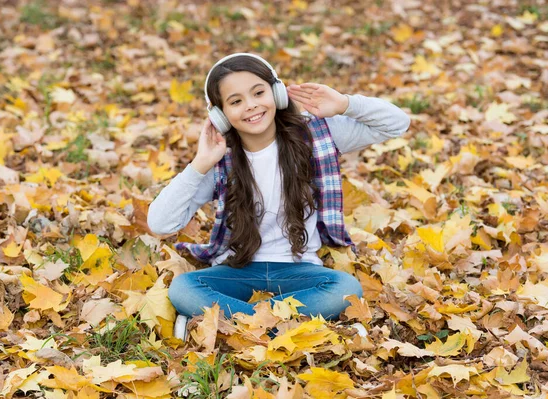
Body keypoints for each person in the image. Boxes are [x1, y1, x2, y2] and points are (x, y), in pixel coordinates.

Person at [148, 53, 410, 340]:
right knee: (183, 288)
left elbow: (397, 123)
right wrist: (199, 164)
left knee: (346, 289)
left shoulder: (318, 136)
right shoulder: (220, 161)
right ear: (219, 115)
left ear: (277, 92)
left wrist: (346, 103)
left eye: (259, 93)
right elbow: (160, 223)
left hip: (300, 272)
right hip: (238, 272)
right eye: (235, 102)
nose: (251, 106)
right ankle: (277, 326)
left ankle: (241, 323)